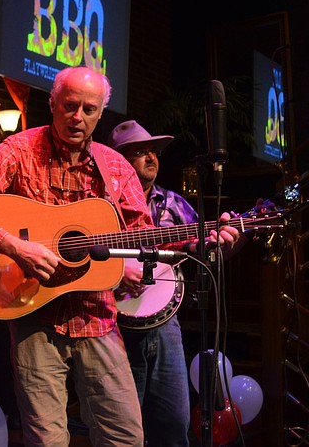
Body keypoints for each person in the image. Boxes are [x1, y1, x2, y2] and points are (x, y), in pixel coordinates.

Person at [0, 67, 240, 446]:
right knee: (48, 440)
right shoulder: (19, 150)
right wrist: (14, 246)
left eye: (88, 109)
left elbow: (140, 236)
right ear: (52, 103)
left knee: (125, 438)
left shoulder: (115, 167)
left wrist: (195, 241)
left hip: (98, 317)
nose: (77, 117)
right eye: (69, 105)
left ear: (101, 113)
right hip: (35, 313)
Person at [106, 119, 198, 447]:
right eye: (140, 152)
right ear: (118, 161)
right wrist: (116, 273)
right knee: (124, 429)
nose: (151, 158)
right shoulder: (99, 205)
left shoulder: (172, 203)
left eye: (154, 152)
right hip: (113, 325)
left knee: (174, 424)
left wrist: (227, 238)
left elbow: (203, 245)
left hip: (165, 324)